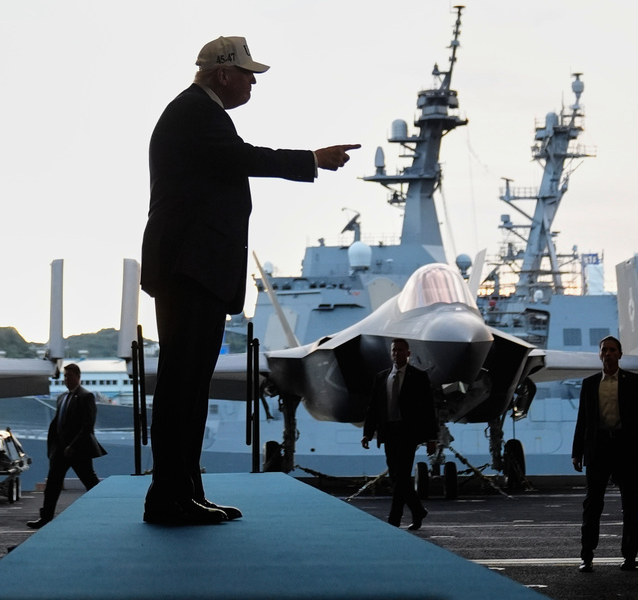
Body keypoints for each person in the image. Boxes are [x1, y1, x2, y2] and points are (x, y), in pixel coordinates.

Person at [140, 35, 360, 525]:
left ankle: (182, 490)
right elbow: (246, 159)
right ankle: (170, 496)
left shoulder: (196, 112)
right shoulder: (197, 113)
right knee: (183, 388)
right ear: (223, 73)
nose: (253, 83)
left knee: (190, 387)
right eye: (248, 74)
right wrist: (312, 159)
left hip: (192, 270)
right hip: (191, 270)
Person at [572, 336, 638, 573]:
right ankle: (587, 556)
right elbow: (583, 419)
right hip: (599, 447)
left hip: (626, 448)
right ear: (600, 354)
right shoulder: (590, 383)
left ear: (620, 354)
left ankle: (630, 557)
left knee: (630, 505)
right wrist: (577, 452)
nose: (608, 354)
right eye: (605, 350)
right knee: (592, 504)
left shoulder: (636, 383)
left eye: (613, 350)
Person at [362, 338, 438, 529]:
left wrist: (431, 438)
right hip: (388, 433)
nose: (397, 353)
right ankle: (418, 510)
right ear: (391, 353)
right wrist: (367, 433)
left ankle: (393, 521)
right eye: (394, 350)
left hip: (408, 434)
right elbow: (373, 408)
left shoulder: (419, 377)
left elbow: (428, 409)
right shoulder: (382, 377)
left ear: (408, 353)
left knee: (402, 475)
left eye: (401, 350)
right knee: (396, 477)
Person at [27, 364, 106, 529]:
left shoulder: (86, 396)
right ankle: (46, 517)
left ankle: (104, 513)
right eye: (65, 376)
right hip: (61, 450)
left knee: (90, 482)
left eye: (69, 375)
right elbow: (58, 423)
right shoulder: (62, 397)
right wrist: (55, 447)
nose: (66, 379)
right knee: (52, 486)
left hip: (78, 450)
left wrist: (73, 445)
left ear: (78, 376)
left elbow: (87, 426)